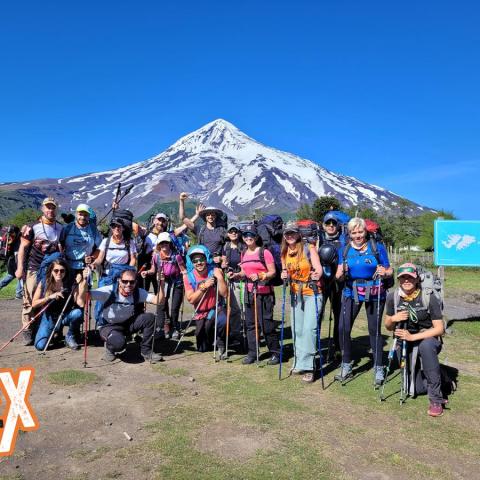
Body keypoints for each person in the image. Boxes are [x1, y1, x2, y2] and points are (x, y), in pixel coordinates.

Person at [335, 217, 393, 384]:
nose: (358, 235)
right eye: (354, 232)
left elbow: (389, 269)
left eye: (360, 231)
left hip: (375, 292)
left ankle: (378, 367)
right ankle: (346, 364)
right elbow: (338, 274)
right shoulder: (344, 250)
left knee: (374, 330)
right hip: (350, 292)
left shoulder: (377, 248)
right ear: (349, 234)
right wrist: (341, 271)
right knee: (343, 328)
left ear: (365, 231)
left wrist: (385, 272)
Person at [384, 263, 446, 417]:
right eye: (403, 277)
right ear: (398, 279)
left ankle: (436, 399)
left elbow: (439, 329)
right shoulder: (393, 297)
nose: (406, 280)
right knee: (415, 389)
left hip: (427, 337)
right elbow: (388, 326)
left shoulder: (428, 296)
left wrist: (413, 337)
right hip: (404, 341)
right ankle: (441, 376)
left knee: (425, 347)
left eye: (410, 277)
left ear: (417, 278)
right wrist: (393, 318)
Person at [87, 267, 165, 362]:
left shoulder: (137, 292)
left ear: (136, 282)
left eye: (132, 282)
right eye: (125, 281)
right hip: (109, 325)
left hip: (127, 324)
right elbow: (86, 296)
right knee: (119, 344)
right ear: (119, 281)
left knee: (150, 318)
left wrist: (161, 283)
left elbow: (159, 301)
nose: (128, 284)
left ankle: (146, 351)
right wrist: (83, 281)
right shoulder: (108, 291)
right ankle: (110, 348)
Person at [15, 197, 64, 345]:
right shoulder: (32, 227)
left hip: (51, 271)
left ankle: (44, 328)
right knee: (29, 300)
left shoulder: (60, 227)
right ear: (42, 209)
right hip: (34, 268)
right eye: (47, 207)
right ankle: (27, 329)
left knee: (47, 298)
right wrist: (19, 268)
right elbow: (22, 248)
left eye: (53, 207)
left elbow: (61, 247)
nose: (50, 210)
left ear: (56, 209)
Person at [231, 224, 280, 365]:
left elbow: (272, 272)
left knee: (267, 325)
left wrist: (260, 275)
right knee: (250, 324)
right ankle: (252, 353)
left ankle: (275, 353)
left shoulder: (264, 253)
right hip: (249, 293)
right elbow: (244, 273)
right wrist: (236, 275)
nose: (248, 237)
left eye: (251, 235)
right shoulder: (244, 253)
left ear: (256, 237)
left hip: (264, 294)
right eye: (245, 235)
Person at [281, 222, 323, 382]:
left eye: (292, 233)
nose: (290, 236)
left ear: (299, 234)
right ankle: (299, 361)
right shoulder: (285, 252)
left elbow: (318, 268)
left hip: (312, 292)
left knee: (309, 329)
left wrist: (317, 275)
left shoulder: (309, 248)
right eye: (287, 234)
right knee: (297, 329)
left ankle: (310, 366)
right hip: (295, 293)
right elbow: (284, 272)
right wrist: (283, 276)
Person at [32, 256, 87, 351]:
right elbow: (34, 304)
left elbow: (80, 303)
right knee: (40, 346)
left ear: (66, 271)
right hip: (50, 317)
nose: (59, 273)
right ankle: (53, 332)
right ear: (51, 271)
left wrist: (83, 282)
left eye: (62, 271)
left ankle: (70, 336)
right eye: (56, 270)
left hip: (65, 315)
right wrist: (49, 297)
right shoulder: (45, 282)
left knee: (78, 313)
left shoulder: (70, 282)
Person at [92, 218, 137, 325]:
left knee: (120, 301)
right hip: (107, 275)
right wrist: (93, 264)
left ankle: (119, 323)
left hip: (122, 277)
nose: (116, 228)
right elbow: (100, 259)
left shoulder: (129, 242)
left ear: (123, 228)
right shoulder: (105, 241)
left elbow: (133, 259)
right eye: (114, 226)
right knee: (101, 300)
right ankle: (101, 323)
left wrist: (128, 273)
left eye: (119, 226)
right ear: (111, 228)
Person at [183, 245, 227, 354]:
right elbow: (191, 299)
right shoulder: (188, 277)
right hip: (200, 312)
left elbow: (225, 294)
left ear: (206, 259)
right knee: (202, 348)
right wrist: (204, 286)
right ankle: (211, 338)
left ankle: (220, 339)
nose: (198, 263)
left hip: (215, 308)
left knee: (222, 321)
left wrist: (220, 278)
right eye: (195, 261)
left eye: (201, 259)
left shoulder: (215, 271)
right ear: (191, 262)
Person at [141, 232, 184, 340]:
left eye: (166, 242)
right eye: (162, 243)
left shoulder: (176, 256)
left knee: (175, 307)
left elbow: (184, 270)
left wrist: (189, 280)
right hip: (163, 283)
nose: (164, 244)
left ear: (169, 243)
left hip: (177, 283)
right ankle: (164, 328)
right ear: (159, 244)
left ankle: (174, 328)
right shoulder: (156, 256)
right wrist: (147, 272)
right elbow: (153, 270)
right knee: (162, 305)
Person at [319, 211, 349, 358]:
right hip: (321, 283)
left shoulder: (344, 241)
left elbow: (346, 258)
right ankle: (316, 346)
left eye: (334, 223)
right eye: (328, 223)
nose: (331, 226)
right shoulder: (318, 239)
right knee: (318, 314)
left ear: (338, 226)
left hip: (338, 283)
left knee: (339, 315)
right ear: (323, 225)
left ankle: (338, 346)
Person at [222, 223, 246, 351]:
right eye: (231, 231)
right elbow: (223, 262)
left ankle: (241, 333)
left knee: (241, 308)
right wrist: (224, 265)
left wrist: (238, 273)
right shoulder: (225, 247)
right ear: (228, 233)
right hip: (229, 281)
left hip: (241, 280)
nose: (233, 233)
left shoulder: (244, 247)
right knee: (232, 308)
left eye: (235, 231)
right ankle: (234, 333)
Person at [60, 203, 102, 275]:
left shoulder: (93, 230)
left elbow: (100, 248)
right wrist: (62, 258)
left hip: (85, 266)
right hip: (67, 265)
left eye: (85, 215)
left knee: (83, 285)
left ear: (89, 216)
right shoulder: (67, 228)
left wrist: (92, 257)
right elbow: (60, 244)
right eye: (80, 214)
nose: (83, 217)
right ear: (76, 214)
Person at [0, 225, 23, 298]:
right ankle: (18, 294)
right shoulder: (17, 239)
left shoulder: (8, 238)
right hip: (15, 260)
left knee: (11, 275)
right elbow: (17, 253)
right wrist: (20, 264)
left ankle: (18, 293)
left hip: (10, 260)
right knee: (21, 275)